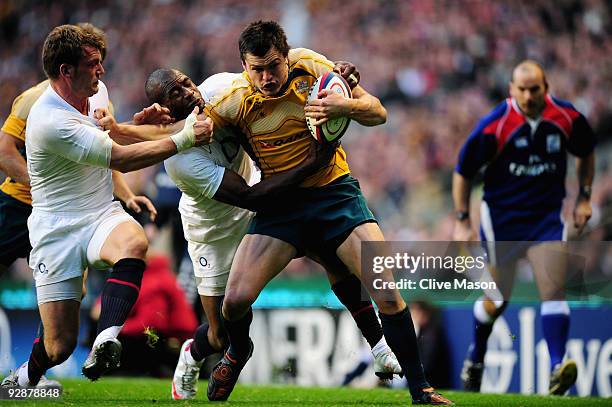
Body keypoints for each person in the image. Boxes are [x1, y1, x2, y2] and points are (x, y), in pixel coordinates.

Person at [202, 20, 452, 405]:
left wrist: (346, 105)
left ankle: (421, 390)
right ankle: (237, 351)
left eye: (273, 66)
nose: (267, 77)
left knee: (386, 289)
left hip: (334, 194)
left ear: (287, 57)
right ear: (243, 66)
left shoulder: (311, 67)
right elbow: (187, 134)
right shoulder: (233, 100)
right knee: (234, 301)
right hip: (281, 206)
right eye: (257, 69)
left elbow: (377, 111)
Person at [139, 67, 401, 400]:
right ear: (162, 110)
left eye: (186, 83)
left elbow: (272, 86)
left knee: (332, 252)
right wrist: (310, 163)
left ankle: (379, 347)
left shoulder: (220, 88)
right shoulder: (180, 162)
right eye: (175, 94)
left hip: (260, 206)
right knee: (219, 333)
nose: (189, 93)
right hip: (214, 229)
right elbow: (248, 195)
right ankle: (195, 354)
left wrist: (334, 74)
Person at [0, 23, 212, 389]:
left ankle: (107, 337)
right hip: (54, 229)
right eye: (93, 64)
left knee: (134, 242)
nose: (101, 70)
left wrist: (133, 125)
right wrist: (184, 138)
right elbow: (121, 158)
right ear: (66, 71)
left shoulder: (97, 93)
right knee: (59, 345)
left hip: (99, 213)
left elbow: (105, 137)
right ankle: (22, 379)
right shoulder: (47, 118)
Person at [453, 60, 596, 395]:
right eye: (522, 89)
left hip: (545, 219)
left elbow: (586, 152)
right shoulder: (494, 126)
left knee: (553, 289)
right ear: (511, 90)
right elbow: (462, 171)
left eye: (535, 89)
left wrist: (585, 197)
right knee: (498, 298)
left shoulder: (567, 118)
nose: (529, 96)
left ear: (546, 86)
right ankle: (476, 356)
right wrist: (462, 220)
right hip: (502, 221)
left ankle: (557, 368)